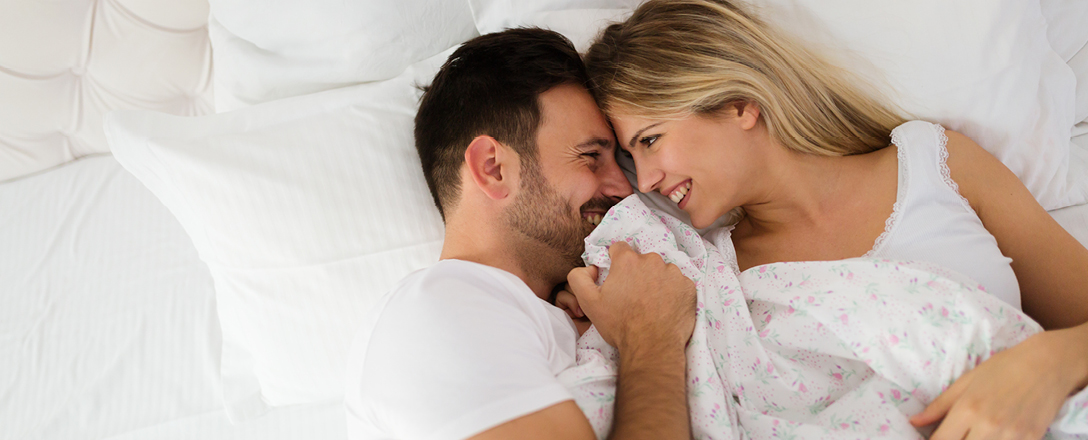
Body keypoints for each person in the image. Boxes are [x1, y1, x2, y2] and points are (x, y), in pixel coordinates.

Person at [581, 0, 1088, 439]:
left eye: (649, 140)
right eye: (631, 153)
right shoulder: (708, 277)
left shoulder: (934, 166)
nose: (644, 180)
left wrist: (1044, 363)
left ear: (739, 104)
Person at [343, 28, 698, 440]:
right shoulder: (435, 314)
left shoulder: (556, 315)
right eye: (591, 158)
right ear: (493, 167)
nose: (625, 187)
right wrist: (651, 336)